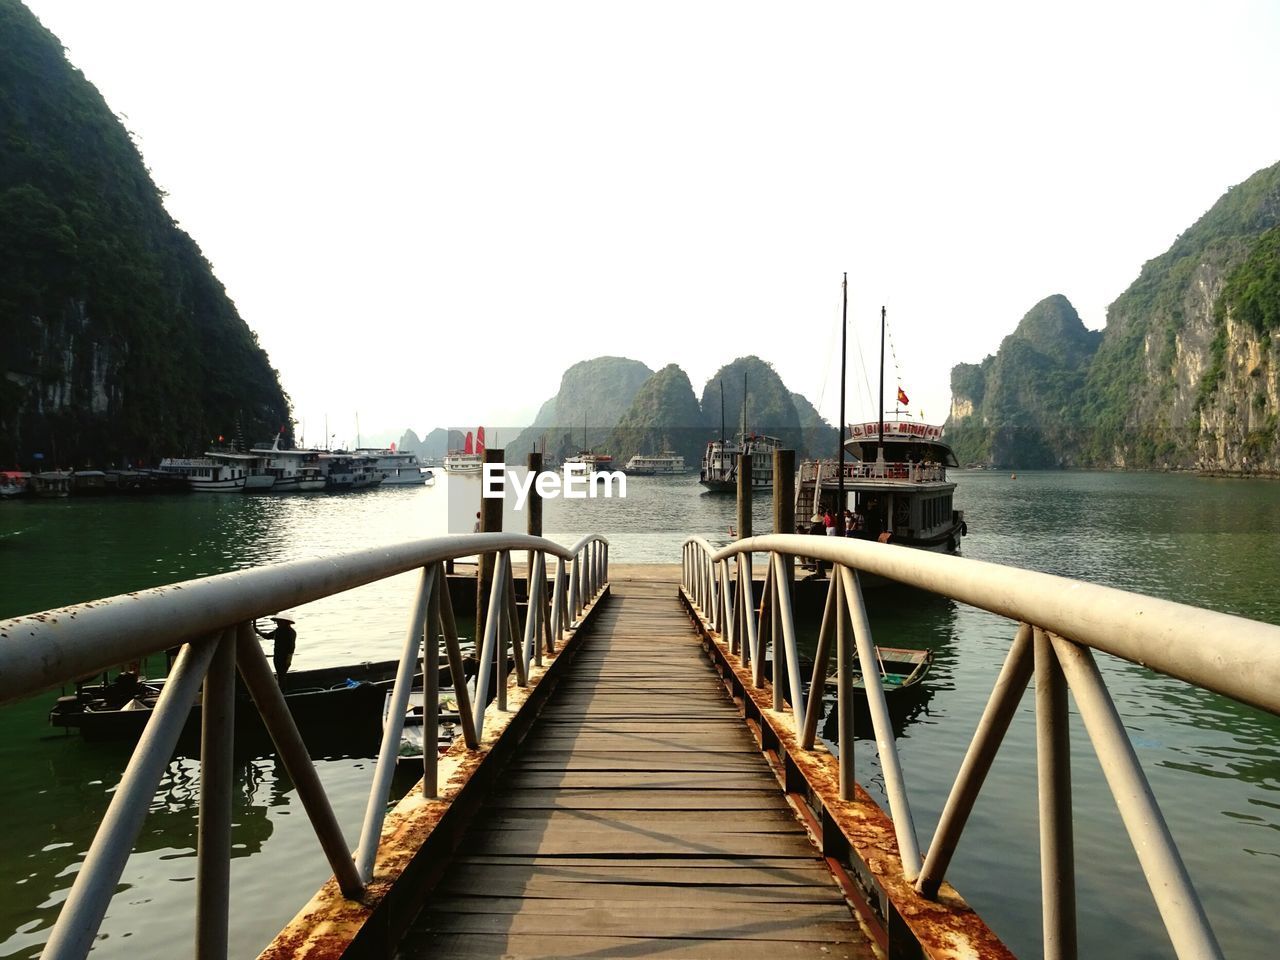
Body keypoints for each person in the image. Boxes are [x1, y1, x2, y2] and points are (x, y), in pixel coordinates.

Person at [255, 615, 297, 682]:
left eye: (279, 622)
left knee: (281, 674)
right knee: (280, 674)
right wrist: (258, 632)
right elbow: (268, 636)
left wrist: (289, 658)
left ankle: (281, 690)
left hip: (284, 657)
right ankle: (280, 688)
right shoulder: (279, 630)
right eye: (277, 622)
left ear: (285, 622)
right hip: (278, 655)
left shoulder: (290, 632)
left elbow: (291, 647)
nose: (277, 623)